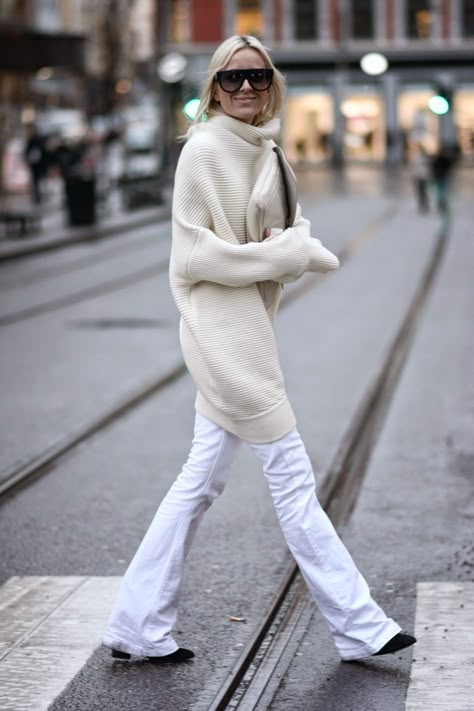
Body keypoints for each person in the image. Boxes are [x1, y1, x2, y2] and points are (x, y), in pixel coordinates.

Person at [103, 35, 416, 665]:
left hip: (247, 324)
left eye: (257, 77)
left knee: (198, 484)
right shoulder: (204, 153)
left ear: (272, 82)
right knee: (293, 481)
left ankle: (137, 623)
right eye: (231, 79)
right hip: (223, 334)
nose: (245, 89)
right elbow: (192, 257)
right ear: (213, 88)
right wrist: (286, 254)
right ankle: (359, 624)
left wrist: (297, 250)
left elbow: (290, 233)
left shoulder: (269, 153)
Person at [24, 124, 47, 204]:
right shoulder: (35, 140)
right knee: (37, 180)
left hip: (37, 164)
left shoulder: (35, 140)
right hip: (36, 164)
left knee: (37, 180)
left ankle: (39, 196)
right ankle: (38, 196)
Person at [410, 143, 431, 213]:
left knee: (423, 192)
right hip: (419, 177)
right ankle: (422, 205)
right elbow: (414, 168)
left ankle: (424, 205)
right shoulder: (417, 158)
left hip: (423, 177)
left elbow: (428, 169)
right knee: (420, 192)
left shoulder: (424, 159)